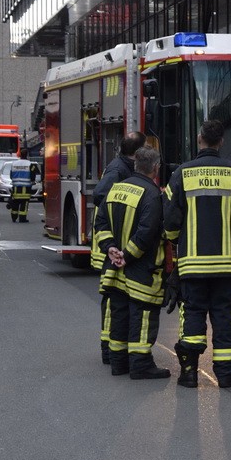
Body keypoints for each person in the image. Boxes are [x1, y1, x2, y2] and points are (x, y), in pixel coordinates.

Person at [164, 120, 231, 389]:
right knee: (224, 316)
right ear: (221, 141)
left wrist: (176, 242)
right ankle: (226, 376)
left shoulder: (181, 174)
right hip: (226, 264)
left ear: (200, 138)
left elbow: (170, 222)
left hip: (192, 264)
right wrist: (229, 235)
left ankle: (189, 373)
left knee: (192, 313)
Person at [93, 146, 171, 380]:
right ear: (156, 168)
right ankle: (140, 364)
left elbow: (101, 223)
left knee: (119, 314)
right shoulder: (152, 194)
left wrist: (111, 250)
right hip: (140, 270)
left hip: (115, 270)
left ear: (136, 165)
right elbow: (146, 233)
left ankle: (118, 363)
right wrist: (127, 255)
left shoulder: (116, 188)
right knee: (143, 316)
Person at [92, 131, 147, 365]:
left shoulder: (123, 167)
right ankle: (108, 348)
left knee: (115, 298)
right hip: (110, 245)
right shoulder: (118, 171)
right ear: (136, 153)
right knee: (111, 299)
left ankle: (111, 347)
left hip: (114, 244)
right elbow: (100, 196)